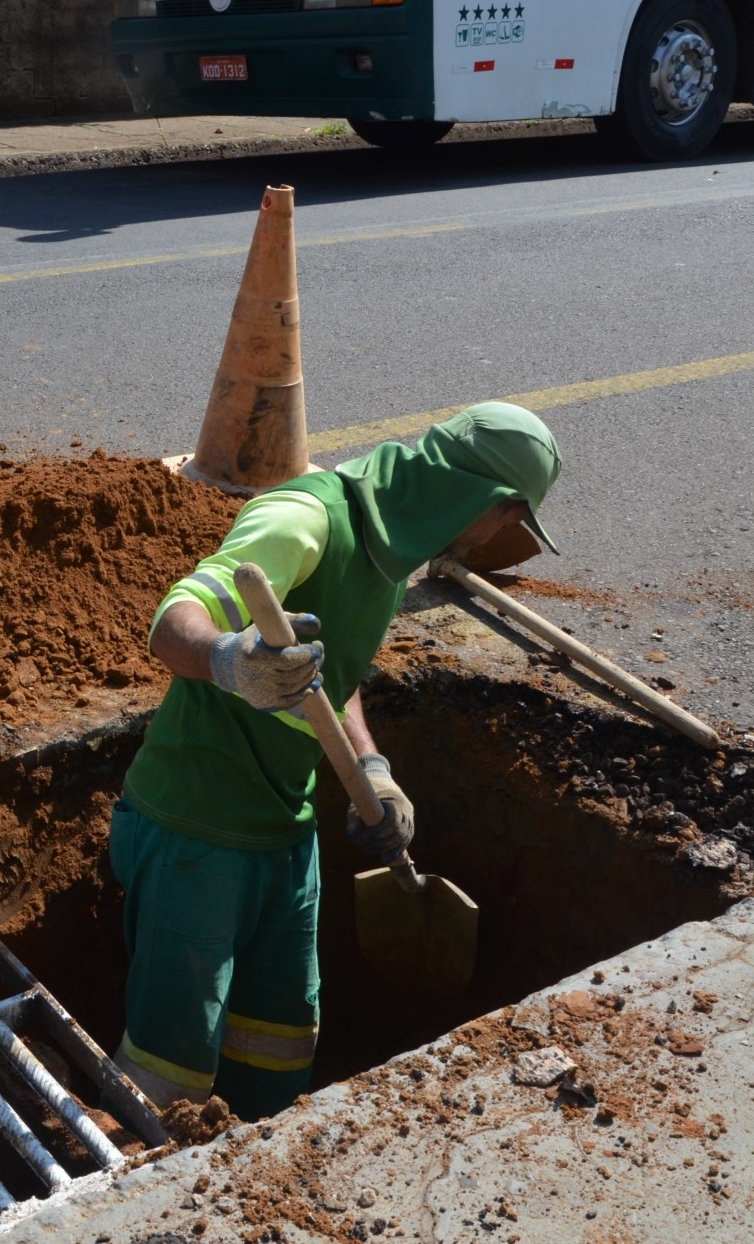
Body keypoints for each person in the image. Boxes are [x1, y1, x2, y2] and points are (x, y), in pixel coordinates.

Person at [111, 401, 563, 1121]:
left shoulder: (393, 549)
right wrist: (230, 659)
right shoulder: (311, 517)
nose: (499, 540)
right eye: (510, 524)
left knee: (280, 1049)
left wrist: (372, 767)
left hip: (284, 834)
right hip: (196, 829)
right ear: (493, 502)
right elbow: (176, 621)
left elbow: (334, 678)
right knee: (167, 1077)